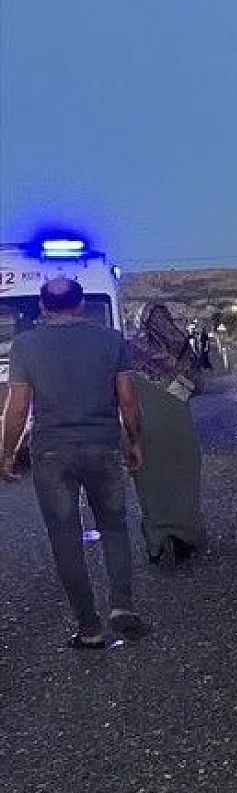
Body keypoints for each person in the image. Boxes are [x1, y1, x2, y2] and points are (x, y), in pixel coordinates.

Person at [0, 276, 149, 649]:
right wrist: (134, 440)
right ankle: (121, 605)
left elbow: (17, 408)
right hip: (103, 446)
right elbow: (128, 400)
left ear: (43, 307)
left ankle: (89, 628)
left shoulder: (25, 346)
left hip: (51, 452)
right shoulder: (111, 341)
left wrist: (7, 453)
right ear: (81, 304)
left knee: (65, 538)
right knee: (114, 527)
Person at [128, 302, 209, 571]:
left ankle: (157, 542)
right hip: (179, 425)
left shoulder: (131, 350)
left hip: (144, 425)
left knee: (151, 484)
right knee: (183, 481)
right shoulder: (181, 348)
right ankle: (185, 539)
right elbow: (199, 386)